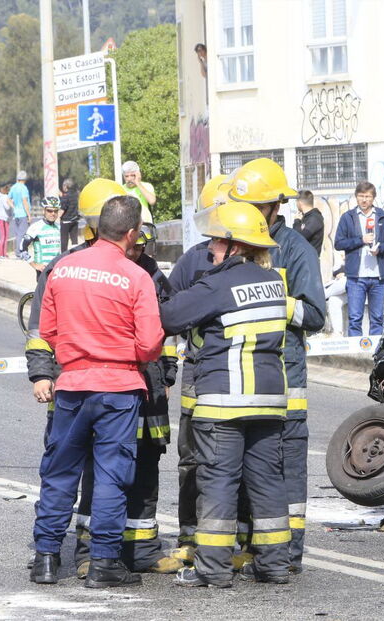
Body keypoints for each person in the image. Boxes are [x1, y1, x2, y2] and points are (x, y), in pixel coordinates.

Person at [31, 193, 164, 588]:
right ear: (132, 232)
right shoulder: (137, 277)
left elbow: (49, 332)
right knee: (111, 476)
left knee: (59, 472)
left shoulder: (63, 269)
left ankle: (46, 559)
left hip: (71, 386)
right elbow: (150, 344)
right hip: (119, 389)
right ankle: (104, 563)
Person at [160, 201, 292, 588]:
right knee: (267, 484)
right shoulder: (274, 282)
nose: (210, 249)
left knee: (218, 483)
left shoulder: (218, 284)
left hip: (224, 401)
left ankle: (213, 569)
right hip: (269, 402)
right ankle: (274, 566)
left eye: (216, 242)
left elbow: (169, 317)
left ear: (235, 245)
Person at [223, 158, 326, 574]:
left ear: (274, 207)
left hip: (286, 380)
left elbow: (316, 316)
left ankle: (288, 551)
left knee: (285, 468)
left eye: (254, 207)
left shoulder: (295, 249)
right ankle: (256, 548)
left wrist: (271, 301)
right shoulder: (241, 245)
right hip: (247, 376)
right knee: (251, 469)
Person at [70, 223, 184, 578]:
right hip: (109, 385)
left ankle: (142, 549)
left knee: (147, 464)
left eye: (139, 248)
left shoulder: (151, 274)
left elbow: (166, 329)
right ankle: (90, 552)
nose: (133, 252)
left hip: (147, 387)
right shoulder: (81, 267)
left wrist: (166, 374)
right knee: (102, 469)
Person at [165, 174, 230, 560]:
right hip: (198, 375)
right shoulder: (193, 261)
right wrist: (168, 371)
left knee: (237, 458)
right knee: (192, 456)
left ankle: (240, 534)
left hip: (239, 375)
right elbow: (166, 314)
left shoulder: (258, 261)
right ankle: (190, 535)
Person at [334, 182, 384, 336]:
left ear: (373, 198)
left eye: (367, 197)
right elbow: (338, 243)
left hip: (378, 277)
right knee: (355, 318)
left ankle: (376, 356)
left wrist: (380, 248)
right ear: (356, 197)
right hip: (356, 277)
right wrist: (360, 239)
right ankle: (354, 357)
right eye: (361, 196)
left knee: (377, 318)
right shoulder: (348, 217)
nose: (364, 200)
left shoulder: (383, 216)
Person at [20, 197, 62, 280]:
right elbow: (22, 248)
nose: (53, 213)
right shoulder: (36, 227)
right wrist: (35, 265)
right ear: (44, 211)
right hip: (43, 270)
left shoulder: (59, 227)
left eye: (55, 211)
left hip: (57, 270)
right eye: (49, 211)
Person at [293, 190, 324, 256]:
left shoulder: (314, 218)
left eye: (296, 201)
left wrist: (297, 222)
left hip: (310, 261)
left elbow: (299, 238)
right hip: (304, 259)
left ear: (300, 203)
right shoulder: (305, 217)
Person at [10, 170, 32, 259]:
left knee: (18, 234)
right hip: (23, 213)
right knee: (22, 234)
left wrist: (14, 207)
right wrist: (29, 214)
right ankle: (20, 253)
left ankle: (18, 252)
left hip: (16, 214)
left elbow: (8, 199)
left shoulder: (13, 187)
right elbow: (24, 201)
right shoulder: (23, 188)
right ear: (25, 179)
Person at [59, 179, 80, 251]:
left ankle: (63, 255)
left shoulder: (66, 197)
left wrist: (56, 218)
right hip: (75, 220)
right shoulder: (76, 195)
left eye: (63, 186)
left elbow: (62, 209)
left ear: (66, 186)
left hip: (66, 221)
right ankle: (75, 253)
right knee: (74, 240)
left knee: (64, 240)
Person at [0, 183, 13, 259]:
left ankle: (4, 253)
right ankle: (0, 254)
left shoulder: (4, 197)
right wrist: (12, 202)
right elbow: (7, 207)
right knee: (3, 236)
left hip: (5, 218)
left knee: (6, 236)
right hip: (2, 219)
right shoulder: (5, 197)